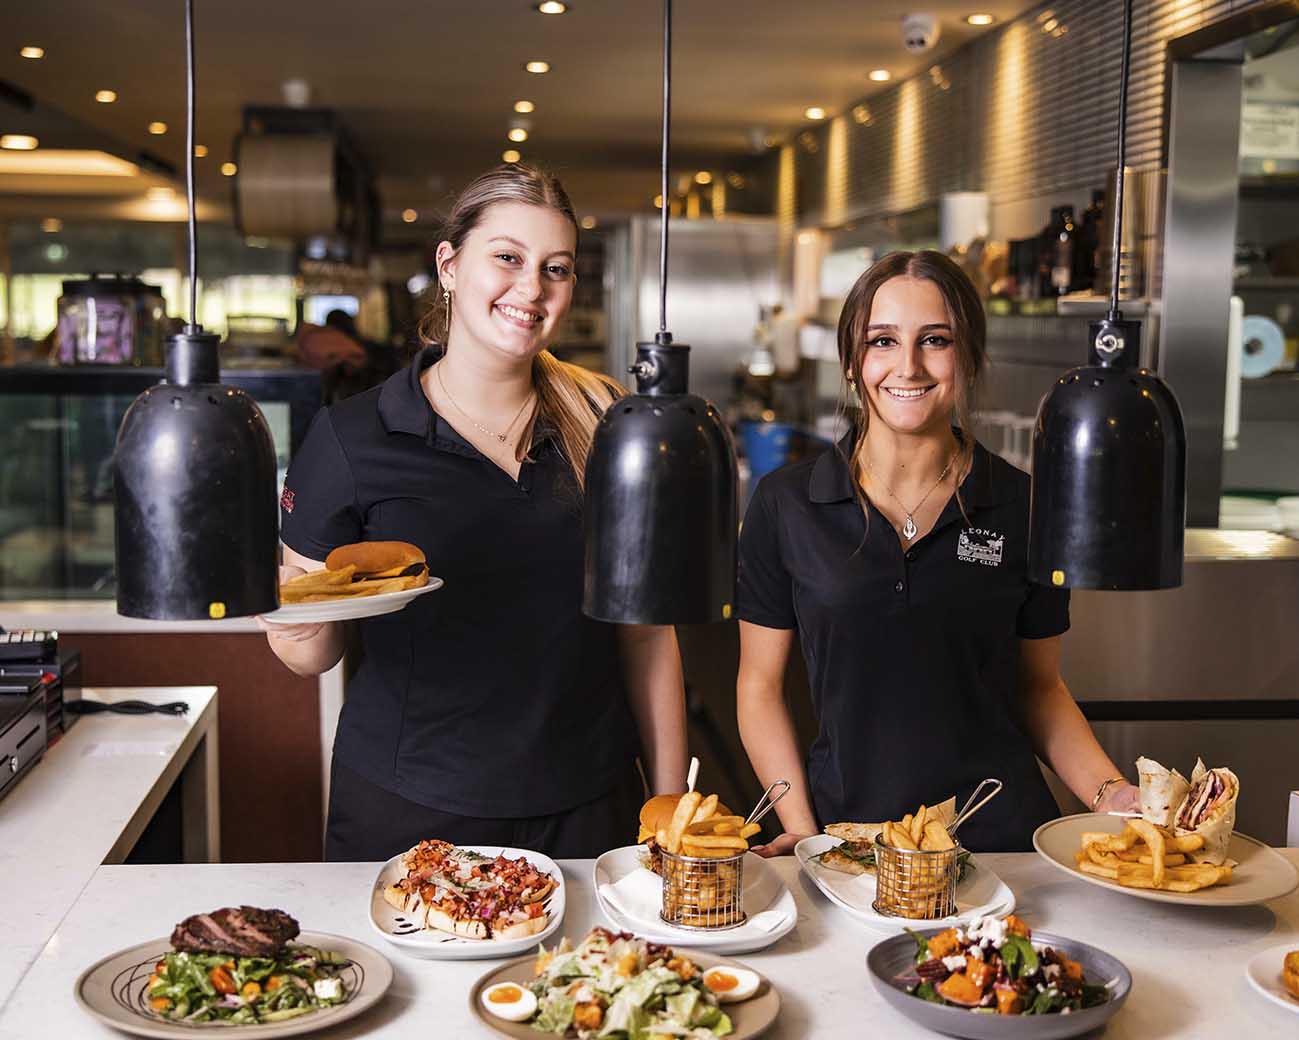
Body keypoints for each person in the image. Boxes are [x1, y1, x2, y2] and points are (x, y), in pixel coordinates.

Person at [262, 164, 688, 860]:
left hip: (588, 809)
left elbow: (646, 637)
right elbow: (312, 651)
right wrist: (286, 617)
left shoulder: (608, 423)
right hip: (411, 813)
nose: (532, 288)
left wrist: (671, 807)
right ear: (451, 265)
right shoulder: (351, 437)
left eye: (557, 268)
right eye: (509, 259)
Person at [735, 250, 1139, 857]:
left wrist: (1110, 794)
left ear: (968, 357)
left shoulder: (1024, 505)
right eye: (882, 341)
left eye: (935, 340)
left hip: (1001, 845)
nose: (909, 365)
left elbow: (1040, 687)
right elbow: (759, 688)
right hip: (851, 842)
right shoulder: (786, 504)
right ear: (852, 361)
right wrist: (801, 829)